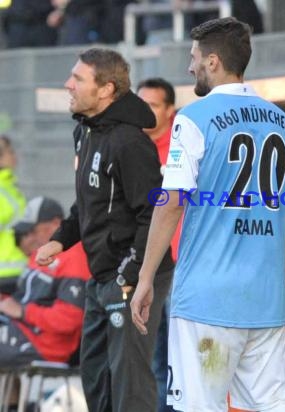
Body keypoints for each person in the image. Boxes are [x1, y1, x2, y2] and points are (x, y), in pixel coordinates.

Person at [130, 17, 285, 412]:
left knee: (199, 406)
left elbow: (172, 201)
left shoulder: (194, 118)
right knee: (271, 405)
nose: (189, 67)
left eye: (194, 58)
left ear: (213, 61)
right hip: (265, 302)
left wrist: (145, 278)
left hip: (207, 303)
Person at [35, 48, 174, 412]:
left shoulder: (130, 142)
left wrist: (130, 275)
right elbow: (87, 205)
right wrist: (60, 239)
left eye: (78, 79)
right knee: (96, 376)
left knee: (130, 383)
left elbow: (153, 213)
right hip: (102, 275)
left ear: (106, 89)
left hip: (134, 274)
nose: (68, 84)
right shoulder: (85, 132)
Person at [0, 196, 90, 369]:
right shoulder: (41, 254)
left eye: (34, 230)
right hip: (18, 329)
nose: (31, 237)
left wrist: (23, 311)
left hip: (45, 346)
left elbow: (69, 320)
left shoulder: (73, 257)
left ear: (55, 223)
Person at [137, 77, 178, 412]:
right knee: (150, 360)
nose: (145, 112)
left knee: (175, 358)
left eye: (152, 105)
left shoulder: (184, 145)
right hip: (140, 266)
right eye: (141, 104)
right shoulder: (129, 145)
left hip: (179, 265)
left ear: (169, 111)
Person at [0, 135, 27, 296]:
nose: (14, 156)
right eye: (10, 152)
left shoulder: (9, 187)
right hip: (6, 274)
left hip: (17, 269)